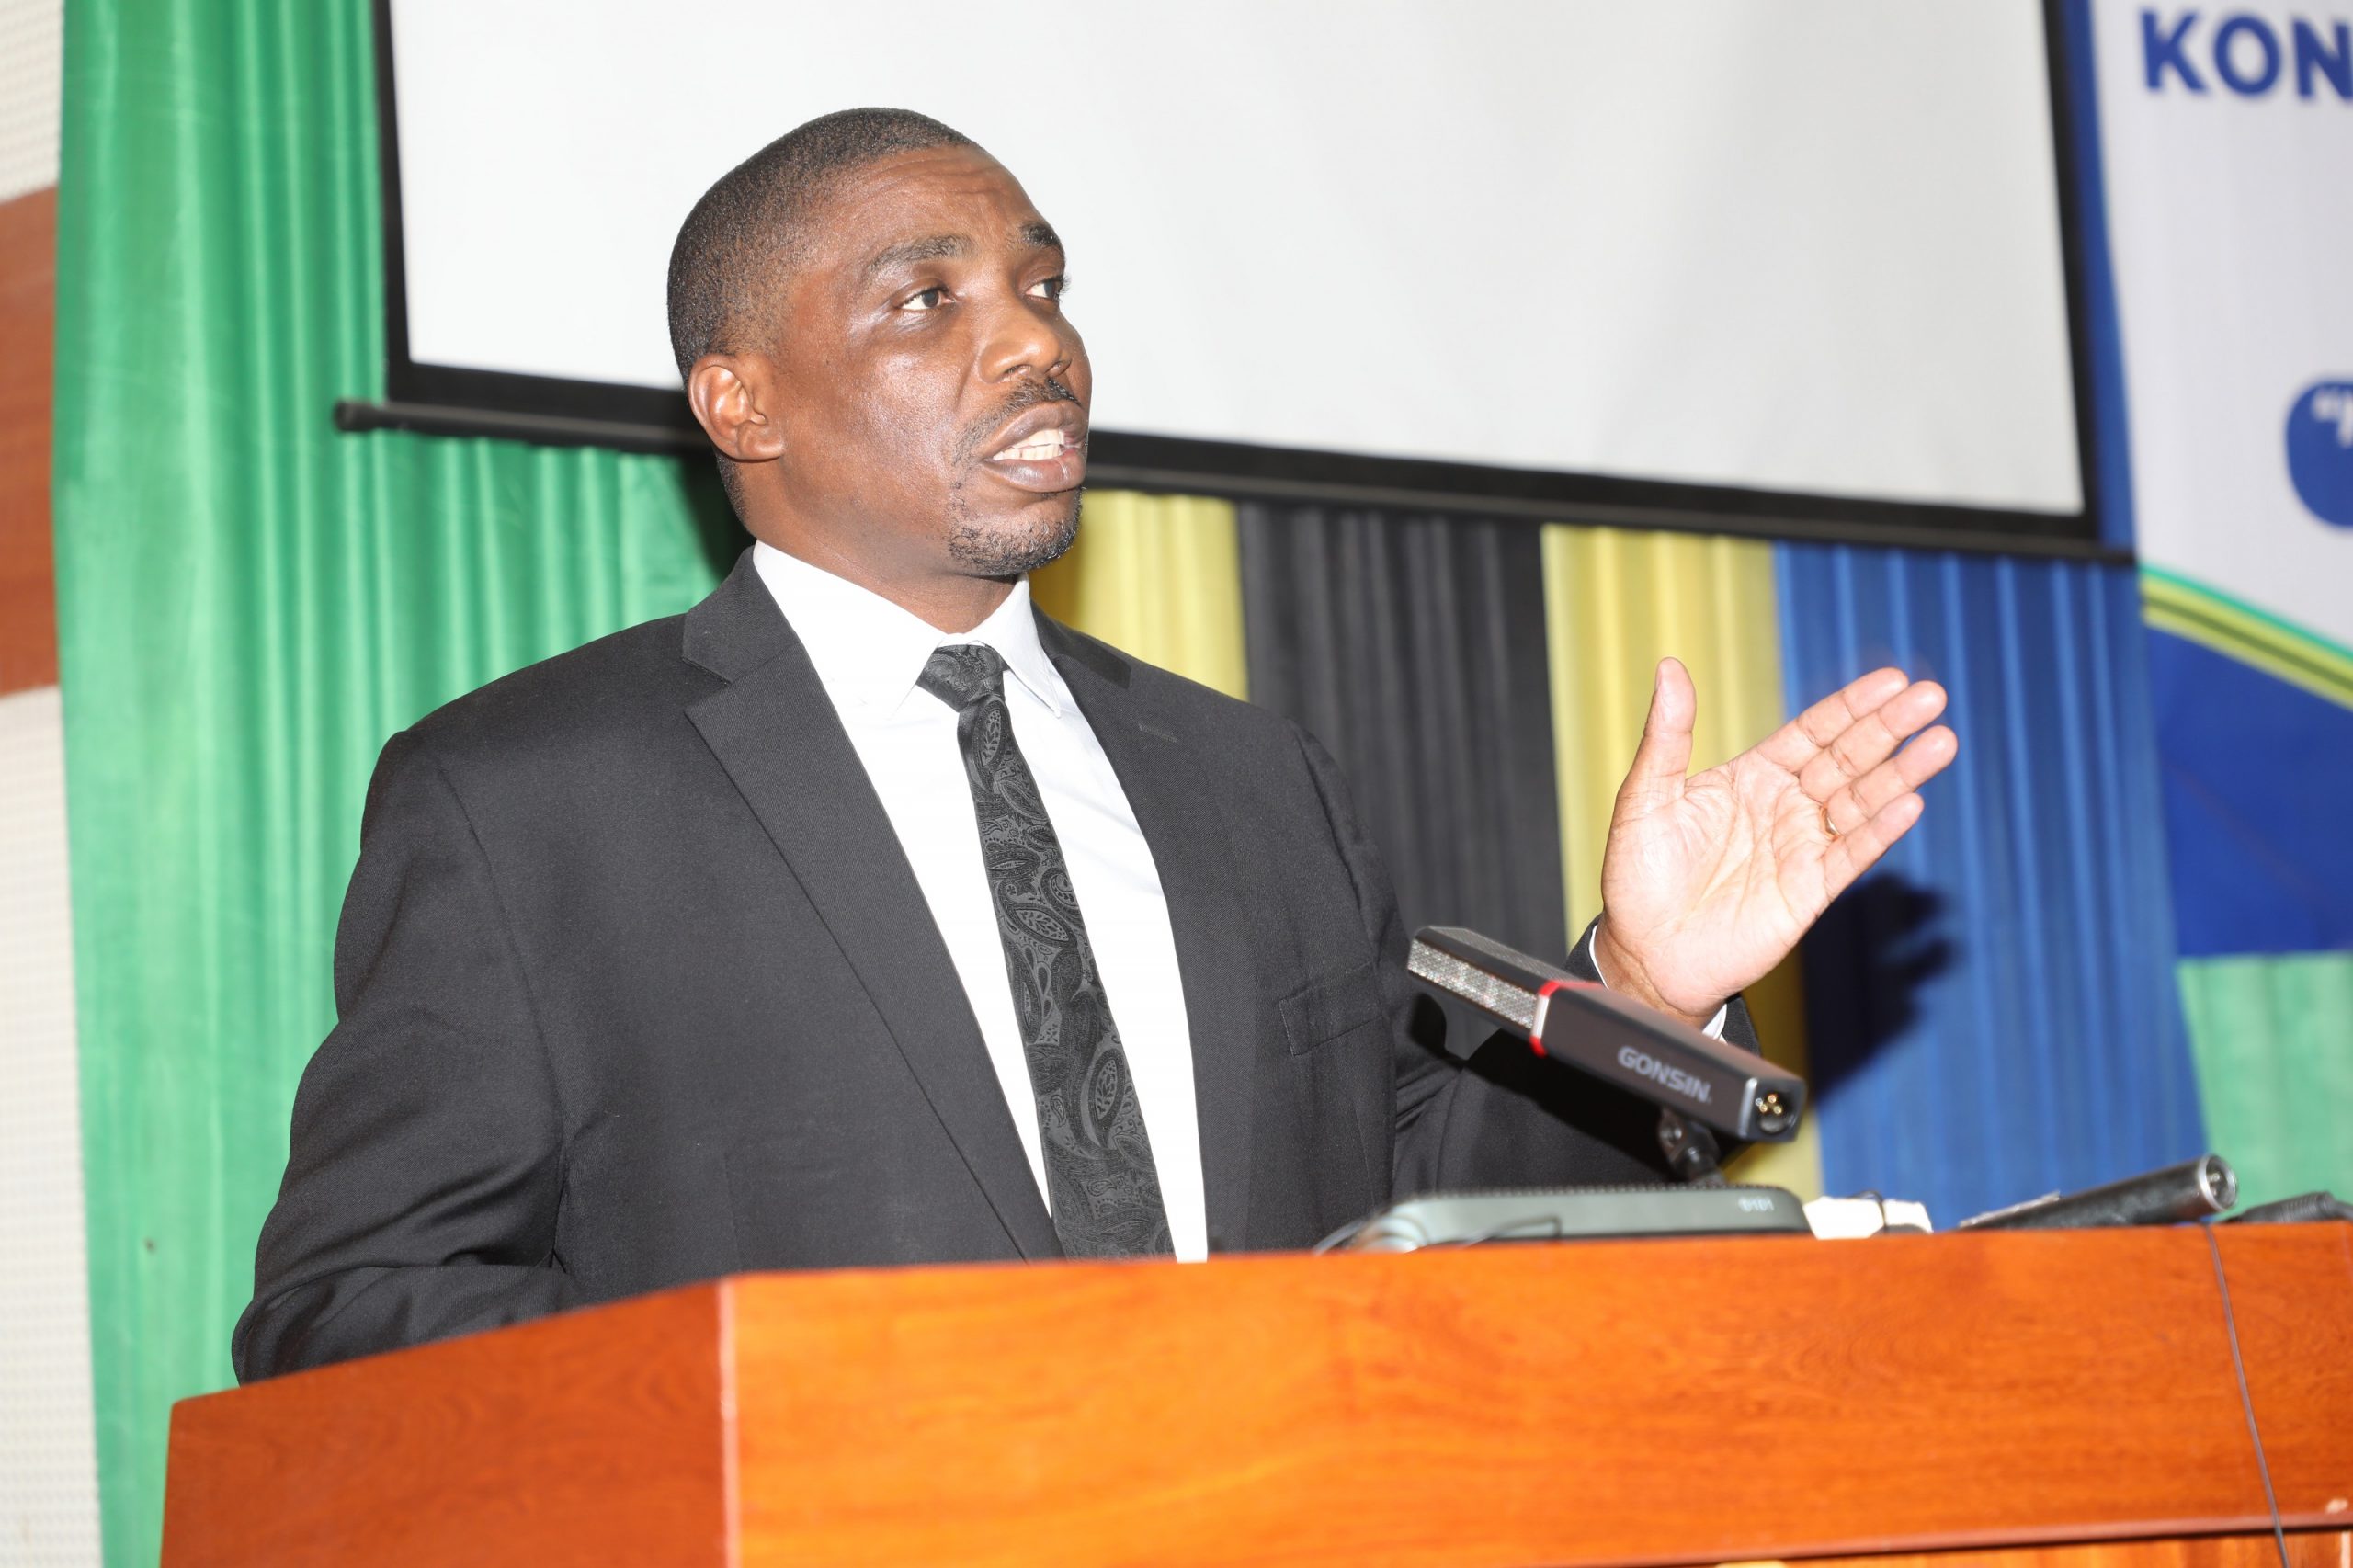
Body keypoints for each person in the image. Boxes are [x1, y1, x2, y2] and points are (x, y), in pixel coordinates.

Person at [233, 109, 1955, 1381]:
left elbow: (1418, 1214)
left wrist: (1639, 993)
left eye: (1044, 285)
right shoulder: (527, 800)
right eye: (929, 298)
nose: (1038, 342)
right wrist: (788, 1404)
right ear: (740, 400)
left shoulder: (1250, 781)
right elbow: (351, 1308)